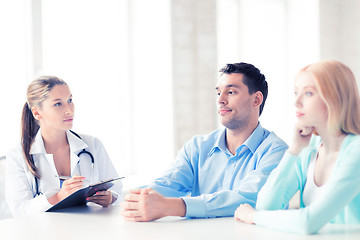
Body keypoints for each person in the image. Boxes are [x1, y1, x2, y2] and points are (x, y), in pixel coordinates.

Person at [121, 62, 288, 221]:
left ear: (256, 100)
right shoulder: (197, 147)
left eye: (230, 92)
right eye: (218, 92)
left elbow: (250, 198)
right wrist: (132, 197)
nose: (220, 100)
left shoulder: (277, 151)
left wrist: (176, 206)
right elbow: (167, 184)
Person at [234, 60, 360, 234]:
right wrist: (294, 150)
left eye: (308, 93)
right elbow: (266, 206)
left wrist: (253, 216)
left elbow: (308, 222)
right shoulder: (309, 148)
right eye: (296, 92)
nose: (297, 102)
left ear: (335, 99)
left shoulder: (356, 151)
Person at [6, 76, 122, 217]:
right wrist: (59, 197)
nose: (69, 110)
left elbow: (118, 190)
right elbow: (20, 210)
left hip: (90, 230)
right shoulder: (18, 155)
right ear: (36, 112)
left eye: (70, 101)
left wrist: (110, 198)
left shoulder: (93, 145)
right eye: (58, 104)